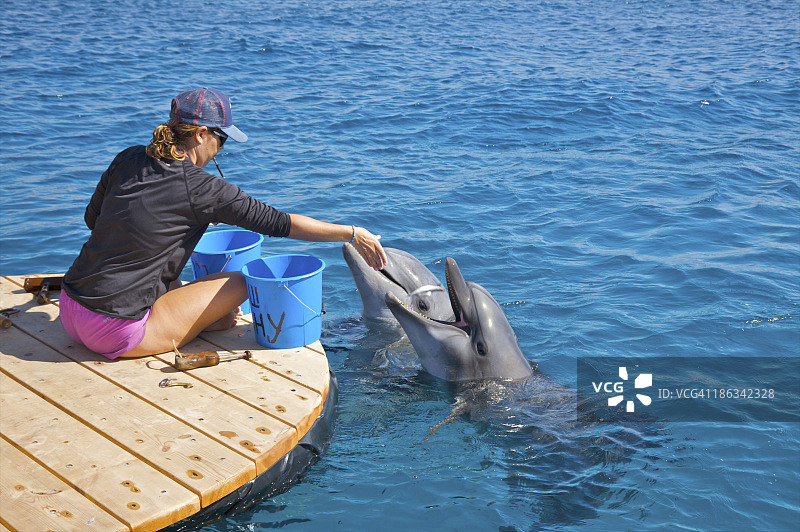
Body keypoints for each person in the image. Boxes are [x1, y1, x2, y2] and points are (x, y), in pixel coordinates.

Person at [60, 87, 387, 359]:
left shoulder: (128, 157)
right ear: (201, 135)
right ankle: (206, 323)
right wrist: (352, 233)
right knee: (249, 278)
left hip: (70, 306)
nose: (219, 151)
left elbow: (94, 220)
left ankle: (200, 319)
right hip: (115, 333)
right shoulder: (204, 189)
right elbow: (281, 223)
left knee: (173, 273)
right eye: (222, 140)